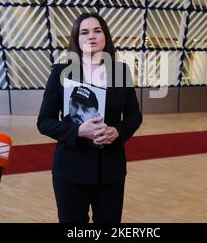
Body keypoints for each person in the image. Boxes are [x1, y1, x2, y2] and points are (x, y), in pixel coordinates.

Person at [37, 12, 143, 223]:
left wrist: (118, 131)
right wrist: (77, 131)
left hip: (110, 171)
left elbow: (134, 117)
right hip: (70, 170)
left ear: (105, 36)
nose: (91, 36)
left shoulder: (121, 72)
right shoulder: (61, 73)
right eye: (84, 32)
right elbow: (44, 122)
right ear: (77, 39)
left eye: (97, 30)